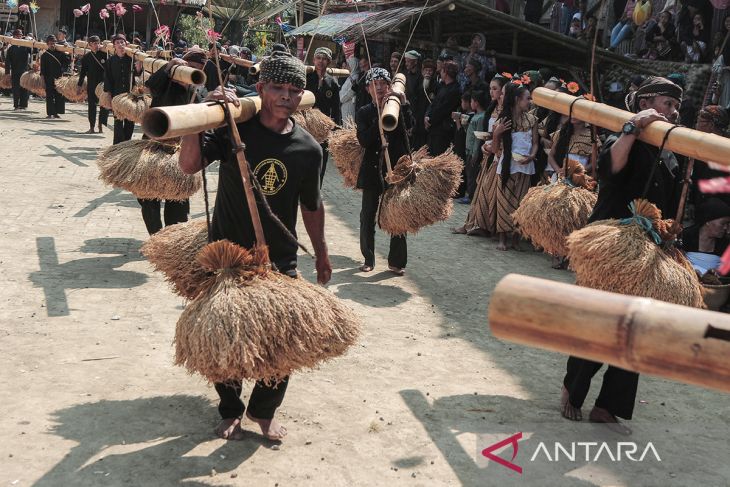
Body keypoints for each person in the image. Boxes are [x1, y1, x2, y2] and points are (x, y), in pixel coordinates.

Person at [177, 50, 331, 442]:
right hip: (227, 255)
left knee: (283, 339)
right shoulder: (233, 129)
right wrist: (196, 115)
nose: (285, 96)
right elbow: (189, 166)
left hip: (278, 260)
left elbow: (311, 206)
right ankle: (231, 409)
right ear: (260, 88)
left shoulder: (309, 149)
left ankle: (264, 411)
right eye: (277, 87)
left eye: (294, 90)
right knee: (225, 336)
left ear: (301, 96)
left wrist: (323, 255)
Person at [561, 76, 683, 435]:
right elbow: (610, 169)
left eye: (676, 106)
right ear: (645, 103)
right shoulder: (624, 135)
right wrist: (634, 127)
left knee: (637, 329)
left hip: (647, 249)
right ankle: (573, 388)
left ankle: (608, 405)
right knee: (602, 321)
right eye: (666, 104)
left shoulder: (670, 149)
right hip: (613, 243)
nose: (673, 112)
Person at [137, 48, 207, 236]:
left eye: (198, 69)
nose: (192, 72)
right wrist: (169, 67)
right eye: (191, 67)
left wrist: (192, 88)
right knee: (148, 197)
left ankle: (171, 239)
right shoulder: (165, 80)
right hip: (154, 146)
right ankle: (155, 236)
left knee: (178, 200)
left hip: (180, 151)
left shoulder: (196, 88)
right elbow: (150, 85)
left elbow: (203, 108)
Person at [355, 67, 412, 275]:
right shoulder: (364, 112)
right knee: (367, 215)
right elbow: (363, 140)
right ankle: (368, 258)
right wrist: (379, 122)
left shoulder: (397, 106)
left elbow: (410, 130)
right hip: (372, 171)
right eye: (374, 84)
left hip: (396, 169)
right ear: (368, 88)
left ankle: (396, 262)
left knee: (398, 214)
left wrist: (403, 104)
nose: (379, 88)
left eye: (383, 84)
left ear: (390, 86)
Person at [453, 74, 508, 236]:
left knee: (485, 193)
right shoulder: (492, 109)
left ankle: (483, 225)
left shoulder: (505, 112)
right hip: (486, 155)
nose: (492, 92)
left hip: (497, 157)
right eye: (490, 88)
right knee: (478, 192)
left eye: (495, 89)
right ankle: (471, 223)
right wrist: (485, 145)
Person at [491, 81, 539, 251]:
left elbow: (535, 143)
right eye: (528, 98)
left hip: (525, 168)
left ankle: (516, 240)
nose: (530, 102)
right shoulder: (504, 120)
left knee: (521, 204)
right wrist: (497, 133)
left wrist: (532, 156)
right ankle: (502, 239)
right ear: (518, 99)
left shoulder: (532, 120)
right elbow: (496, 150)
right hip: (506, 167)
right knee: (504, 203)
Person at [305, 46, 342, 185]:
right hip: (306, 126)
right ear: (314, 60)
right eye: (318, 58)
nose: (321, 61)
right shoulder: (306, 78)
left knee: (321, 158)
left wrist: (336, 130)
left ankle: (316, 189)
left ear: (329, 62)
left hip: (323, 129)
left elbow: (336, 108)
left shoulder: (332, 83)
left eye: (324, 59)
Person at [104, 34, 138, 144]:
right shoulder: (110, 61)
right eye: (117, 43)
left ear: (126, 44)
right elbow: (107, 79)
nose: (120, 45)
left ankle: (127, 143)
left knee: (130, 119)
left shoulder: (131, 60)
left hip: (130, 95)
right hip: (116, 95)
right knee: (118, 120)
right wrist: (108, 95)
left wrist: (139, 67)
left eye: (122, 42)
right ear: (114, 46)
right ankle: (118, 145)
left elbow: (138, 74)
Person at [425, 60, 460, 156]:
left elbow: (443, 110)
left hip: (443, 131)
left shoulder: (455, 90)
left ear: (446, 72)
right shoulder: (442, 86)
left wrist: (430, 120)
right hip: (433, 129)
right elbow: (433, 103)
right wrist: (427, 116)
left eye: (442, 71)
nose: (440, 73)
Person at [77, 35, 109, 133]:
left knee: (104, 105)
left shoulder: (105, 55)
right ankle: (92, 127)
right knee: (92, 106)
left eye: (98, 43)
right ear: (90, 45)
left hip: (103, 84)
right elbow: (82, 72)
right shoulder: (86, 57)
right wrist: (79, 85)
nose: (97, 45)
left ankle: (101, 125)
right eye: (94, 43)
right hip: (91, 85)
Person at [40, 35, 70, 119]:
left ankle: (56, 112)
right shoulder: (44, 55)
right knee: (49, 95)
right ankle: (50, 113)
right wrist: (42, 80)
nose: (52, 45)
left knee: (59, 95)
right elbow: (42, 69)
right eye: (50, 43)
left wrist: (67, 51)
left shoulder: (60, 53)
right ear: (47, 44)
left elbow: (66, 62)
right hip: (48, 78)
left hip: (58, 78)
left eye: (53, 43)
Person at [402, 50, 427, 149]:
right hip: (408, 110)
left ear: (415, 62)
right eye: (406, 61)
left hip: (417, 113)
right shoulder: (406, 74)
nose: (406, 64)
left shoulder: (421, 77)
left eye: (408, 61)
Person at [5, 29, 30, 110]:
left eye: (20, 35)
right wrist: (7, 72)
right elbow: (7, 62)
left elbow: (34, 51)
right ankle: (16, 105)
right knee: (15, 89)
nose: (19, 37)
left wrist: (33, 42)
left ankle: (23, 105)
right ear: (14, 36)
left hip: (25, 71)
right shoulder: (11, 49)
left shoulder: (26, 46)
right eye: (17, 35)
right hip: (15, 71)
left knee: (24, 88)